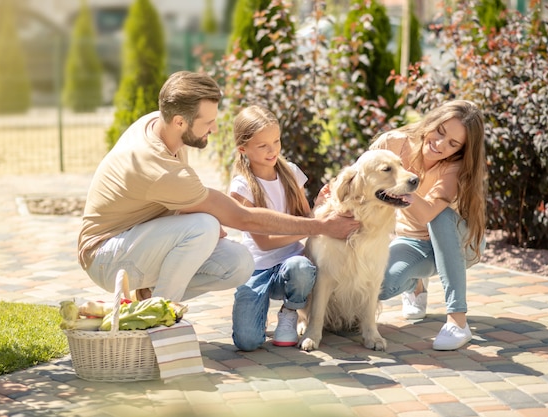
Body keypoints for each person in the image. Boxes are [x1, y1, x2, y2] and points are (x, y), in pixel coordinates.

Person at [77, 71, 359, 303]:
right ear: (179, 121)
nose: (213, 129)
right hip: (105, 257)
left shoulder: (159, 123)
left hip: (137, 241)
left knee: (238, 263)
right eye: (208, 122)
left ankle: (148, 297)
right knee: (204, 227)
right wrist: (322, 226)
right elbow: (243, 218)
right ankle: (162, 317)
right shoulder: (158, 166)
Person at [370, 99, 487, 350]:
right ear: (432, 121)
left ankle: (458, 321)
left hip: (459, 242)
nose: (439, 144)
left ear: (462, 149)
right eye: (440, 132)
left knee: (440, 216)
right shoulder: (393, 144)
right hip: (414, 241)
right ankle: (416, 283)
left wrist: (401, 184)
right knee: (377, 286)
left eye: (453, 143)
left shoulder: (455, 166)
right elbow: (362, 182)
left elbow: (428, 214)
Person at [229, 105, 316, 351]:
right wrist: (312, 228)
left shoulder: (291, 174)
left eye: (276, 141)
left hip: (290, 263)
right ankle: (257, 309)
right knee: (247, 342)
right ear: (243, 149)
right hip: (256, 269)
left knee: (301, 267)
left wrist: (314, 219)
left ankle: (290, 313)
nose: (272, 150)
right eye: (263, 145)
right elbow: (264, 242)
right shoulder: (242, 186)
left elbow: (306, 216)